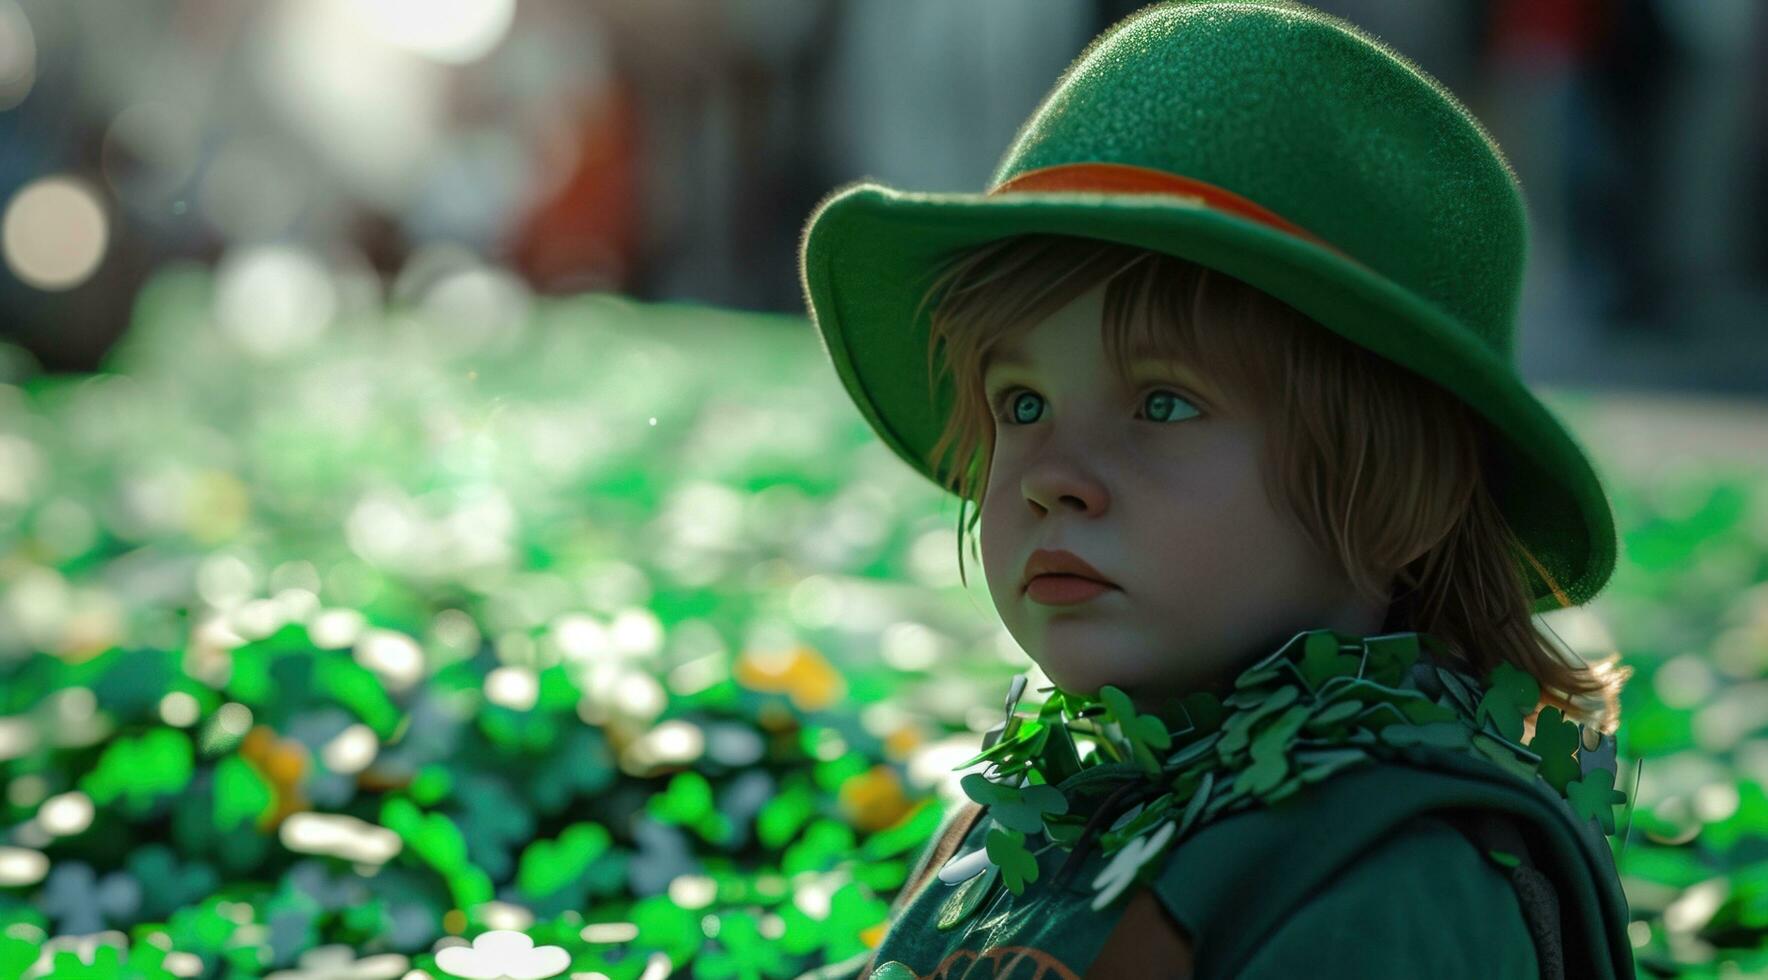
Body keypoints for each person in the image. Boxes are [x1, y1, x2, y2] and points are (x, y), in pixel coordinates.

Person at [794, 1, 1636, 977]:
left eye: (1161, 402)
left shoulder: (1393, 877)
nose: (1050, 481)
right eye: (1021, 403)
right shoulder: (1021, 811)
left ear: (1403, 491)